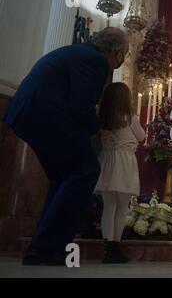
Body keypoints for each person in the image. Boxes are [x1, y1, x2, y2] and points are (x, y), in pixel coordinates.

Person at [3, 27, 129, 265]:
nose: (123, 60)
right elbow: (81, 106)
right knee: (85, 170)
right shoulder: (95, 61)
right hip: (45, 113)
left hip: (31, 112)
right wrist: (98, 128)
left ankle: (43, 247)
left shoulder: (80, 53)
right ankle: (46, 248)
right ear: (116, 51)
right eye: (125, 53)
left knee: (64, 177)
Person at [95, 82, 145, 264]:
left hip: (106, 161)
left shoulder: (102, 118)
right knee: (122, 206)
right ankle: (115, 245)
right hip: (124, 162)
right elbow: (142, 136)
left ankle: (108, 247)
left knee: (109, 206)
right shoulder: (130, 119)